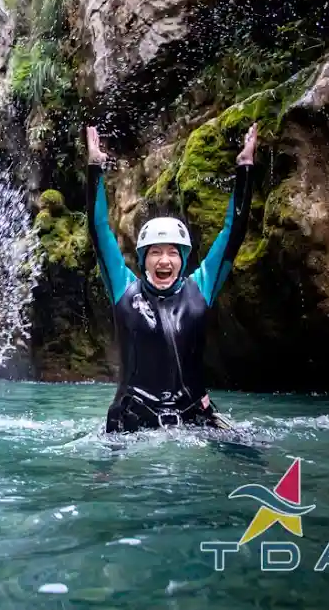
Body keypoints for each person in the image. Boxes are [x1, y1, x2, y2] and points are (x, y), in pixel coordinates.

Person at [84, 122, 258, 433]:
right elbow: (99, 230)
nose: (164, 260)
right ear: (143, 259)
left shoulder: (200, 288)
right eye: (155, 252)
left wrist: (245, 168)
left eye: (173, 252)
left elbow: (234, 233)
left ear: (183, 258)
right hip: (132, 426)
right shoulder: (124, 289)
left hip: (193, 423)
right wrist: (95, 167)